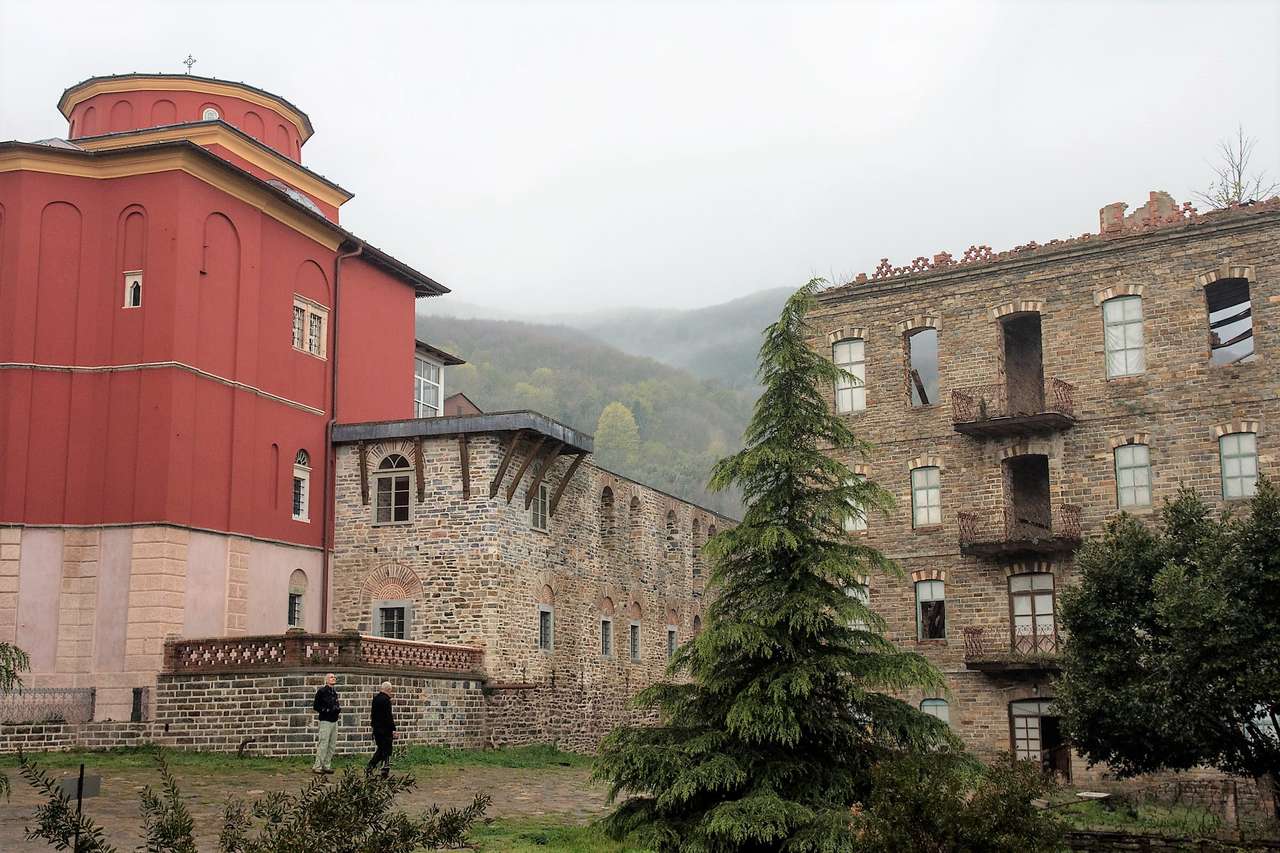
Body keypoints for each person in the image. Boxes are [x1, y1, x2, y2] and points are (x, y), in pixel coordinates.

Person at [312, 673, 340, 775]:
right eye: (331, 677)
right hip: (325, 721)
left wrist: (337, 709)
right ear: (327, 680)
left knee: (332, 745)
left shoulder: (334, 692)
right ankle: (317, 766)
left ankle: (326, 765)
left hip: (334, 720)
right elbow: (316, 706)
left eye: (334, 677)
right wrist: (326, 710)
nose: (334, 679)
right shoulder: (322, 692)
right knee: (323, 744)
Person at [367, 680, 396, 776]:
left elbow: (373, 715)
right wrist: (393, 729)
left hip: (377, 729)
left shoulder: (376, 699)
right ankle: (374, 766)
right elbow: (388, 716)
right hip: (385, 730)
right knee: (385, 750)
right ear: (389, 690)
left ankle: (383, 768)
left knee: (382, 749)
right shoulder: (386, 700)